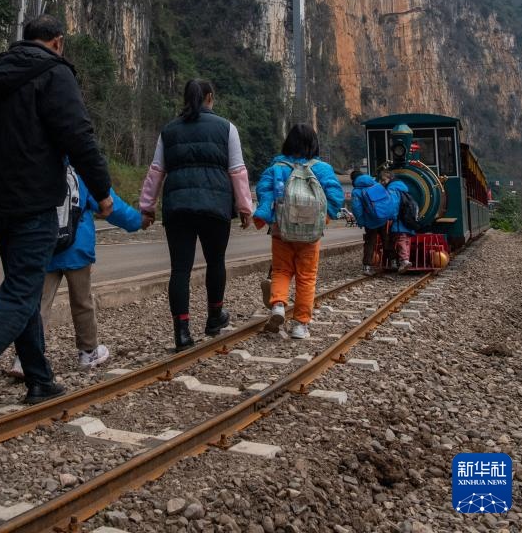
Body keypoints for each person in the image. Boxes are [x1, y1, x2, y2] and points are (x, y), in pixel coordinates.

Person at [0, 14, 113, 430]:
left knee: (22, 288)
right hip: (34, 205)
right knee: (18, 298)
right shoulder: (55, 73)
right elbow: (79, 136)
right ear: (58, 43)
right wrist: (101, 191)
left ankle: (40, 379)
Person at [139, 79, 253, 351]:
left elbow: (157, 170)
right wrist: (245, 207)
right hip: (215, 206)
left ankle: (182, 332)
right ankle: (214, 318)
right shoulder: (227, 128)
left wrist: (147, 206)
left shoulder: (169, 130)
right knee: (216, 262)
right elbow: (237, 170)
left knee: (180, 269)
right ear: (209, 98)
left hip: (178, 207)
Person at [8, 169, 142, 376]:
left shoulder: (38, 165)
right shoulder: (81, 171)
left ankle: (25, 358)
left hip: (45, 248)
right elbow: (112, 205)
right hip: (77, 249)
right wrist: (138, 221)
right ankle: (88, 352)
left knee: (38, 303)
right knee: (82, 302)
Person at [254, 124, 344, 339]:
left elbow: (264, 190)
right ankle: (300, 325)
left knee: (281, 270)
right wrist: (325, 218)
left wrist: (266, 213)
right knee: (306, 277)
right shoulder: (322, 169)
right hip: (311, 234)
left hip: (281, 231)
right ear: (314, 144)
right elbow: (335, 196)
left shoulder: (278, 167)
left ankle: (277, 305)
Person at [350, 169, 395, 275]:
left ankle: (367, 267)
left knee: (370, 243)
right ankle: (393, 262)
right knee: (387, 239)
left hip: (370, 221)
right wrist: (389, 214)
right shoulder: (375, 183)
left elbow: (357, 208)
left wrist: (361, 222)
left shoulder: (357, 191)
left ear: (353, 180)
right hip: (383, 218)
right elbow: (387, 199)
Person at [377, 165, 413, 273]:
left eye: (383, 180)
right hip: (406, 218)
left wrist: (391, 217)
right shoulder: (401, 187)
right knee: (405, 240)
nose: (382, 182)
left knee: (400, 239)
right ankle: (403, 260)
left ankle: (404, 261)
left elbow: (393, 204)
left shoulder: (392, 188)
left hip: (398, 219)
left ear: (390, 179)